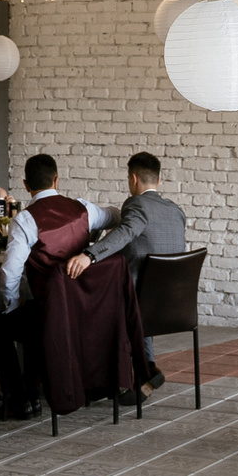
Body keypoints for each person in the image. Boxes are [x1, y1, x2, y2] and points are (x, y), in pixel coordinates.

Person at [0, 154, 112, 417]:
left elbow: (9, 273)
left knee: (0, 324)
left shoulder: (25, 220)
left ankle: (21, 399)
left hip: (49, 313)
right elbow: (115, 216)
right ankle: (33, 391)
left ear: (26, 185)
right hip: (85, 309)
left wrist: (10, 306)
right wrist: (93, 246)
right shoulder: (83, 209)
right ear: (56, 180)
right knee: (32, 317)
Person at [68, 152, 187, 385]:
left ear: (133, 178)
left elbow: (126, 232)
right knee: (137, 289)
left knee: (92, 298)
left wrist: (89, 255)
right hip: (174, 301)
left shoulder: (137, 204)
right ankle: (147, 368)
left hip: (139, 300)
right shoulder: (176, 210)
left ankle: (100, 379)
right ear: (159, 180)